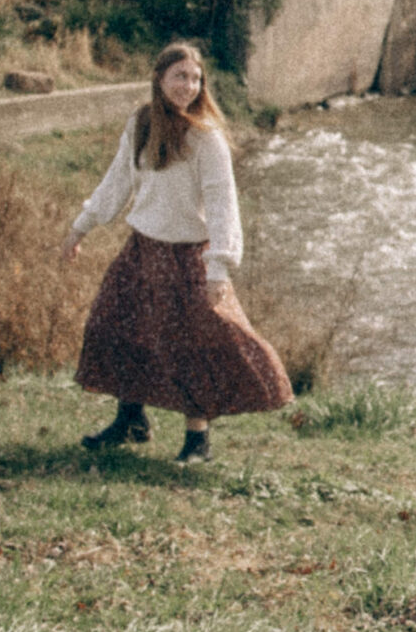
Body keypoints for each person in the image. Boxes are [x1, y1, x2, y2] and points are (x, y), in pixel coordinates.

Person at [63, 42, 291, 464]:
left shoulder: (207, 138)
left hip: (188, 258)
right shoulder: (141, 124)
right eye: (180, 77)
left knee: (191, 348)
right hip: (141, 249)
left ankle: (197, 442)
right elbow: (118, 182)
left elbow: (223, 203)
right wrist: (81, 227)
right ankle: (130, 420)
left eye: (196, 78)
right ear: (159, 79)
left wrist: (219, 268)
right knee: (115, 327)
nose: (189, 86)